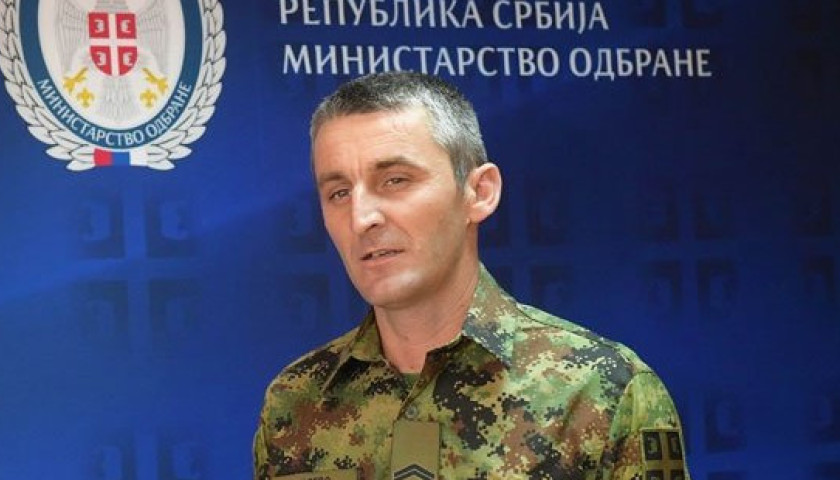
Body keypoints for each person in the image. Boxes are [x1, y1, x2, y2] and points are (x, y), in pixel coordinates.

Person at [253, 71, 690, 480]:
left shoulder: (601, 390)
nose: (361, 217)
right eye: (339, 193)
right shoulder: (295, 400)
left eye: (396, 180)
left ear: (479, 193)